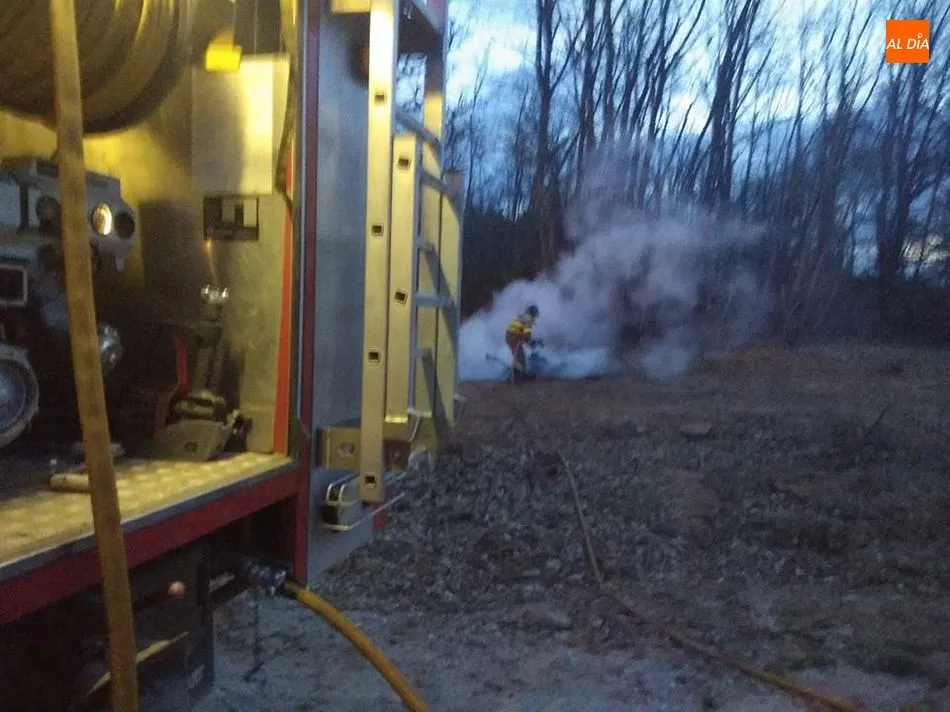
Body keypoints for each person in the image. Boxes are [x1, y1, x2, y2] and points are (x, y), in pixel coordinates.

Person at [504, 305, 542, 384]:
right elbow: (526, 334)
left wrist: (531, 342)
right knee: (519, 357)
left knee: (520, 356)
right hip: (514, 336)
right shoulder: (529, 319)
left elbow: (523, 335)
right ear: (533, 313)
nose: (535, 317)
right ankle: (516, 377)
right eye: (535, 314)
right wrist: (532, 343)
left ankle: (517, 376)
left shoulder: (523, 317)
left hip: (511, 335)